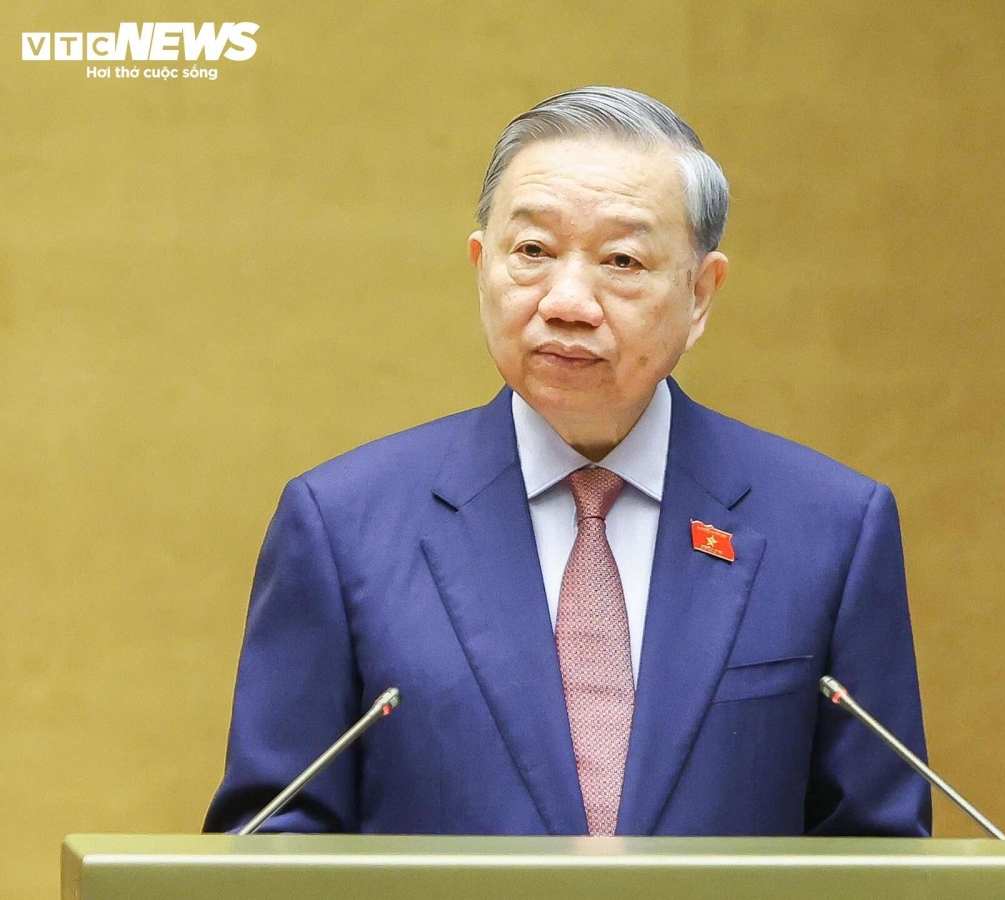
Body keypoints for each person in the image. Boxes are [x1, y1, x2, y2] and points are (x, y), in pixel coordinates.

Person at [204, 86, 931, 837]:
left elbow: (876, 853)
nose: (568, 300)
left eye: (621, 259)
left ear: (701, 294)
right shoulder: (341, 527)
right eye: (533, 252)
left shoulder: (831, 529)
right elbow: (271, 847)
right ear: (482, 264)